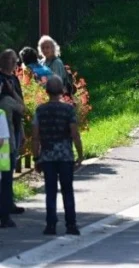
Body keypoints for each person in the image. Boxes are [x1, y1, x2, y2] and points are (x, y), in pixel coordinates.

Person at [33, 76, 83, 236]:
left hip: (47, 156)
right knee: (67, 190)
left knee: (50, 190)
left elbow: (35, 136)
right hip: (65, 155)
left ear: (46, 91)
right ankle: (71, 224)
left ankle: (51, 225)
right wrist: (80, 154)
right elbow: (74, 134)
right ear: (62, 90)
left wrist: (36, 157)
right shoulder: (68, 110)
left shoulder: (40, 111)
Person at [0, 49, 23, 228]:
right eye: (10, 61)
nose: (13, 64)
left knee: (9, 170)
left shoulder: (14, 80)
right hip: (3, 133)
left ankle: (9, 204)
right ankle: (5, 214)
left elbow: (21, 107)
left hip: (13, 129)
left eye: (14, 61)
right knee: (5, 172)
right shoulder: (1, 80)